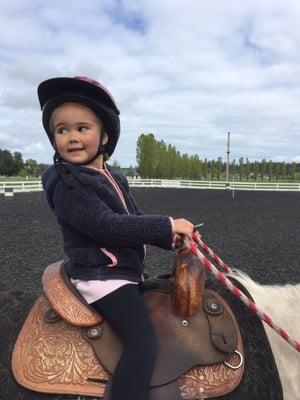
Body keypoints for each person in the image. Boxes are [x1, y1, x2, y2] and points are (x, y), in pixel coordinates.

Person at [39, 76, 200, 400]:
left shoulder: (113, 178)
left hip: (121, 273)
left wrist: (172, 238)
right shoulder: (68, 185)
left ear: (105, 135)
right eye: (62, 129)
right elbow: (108, 227)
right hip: (101, 277)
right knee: (144, 340)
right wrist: (167, 225)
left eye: (81, 128)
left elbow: (134, 219)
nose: (71, 137)